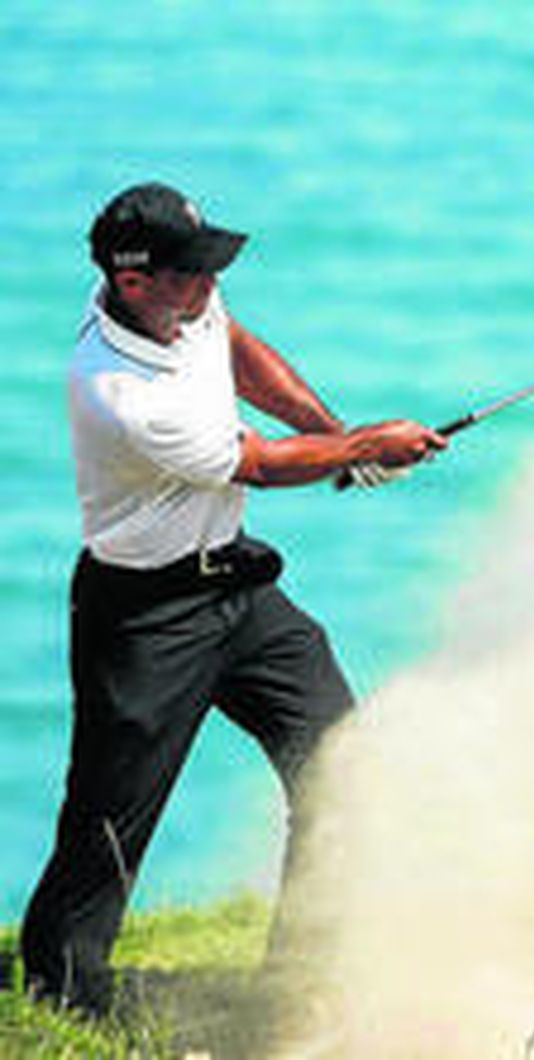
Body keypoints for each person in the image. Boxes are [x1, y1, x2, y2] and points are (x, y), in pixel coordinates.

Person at [19, 182, 446, 1016]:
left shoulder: (179, 300)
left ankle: (302, 982)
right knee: (110, 822)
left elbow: (238, 348)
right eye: (191, 272)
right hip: (146, 616)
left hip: (239, 590)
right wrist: (362, 446)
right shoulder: (122, 394)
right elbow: (255, 463)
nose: (209, 284)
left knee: (339, 762)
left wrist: (335, 433)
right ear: (133, 281)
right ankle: (62, 995)